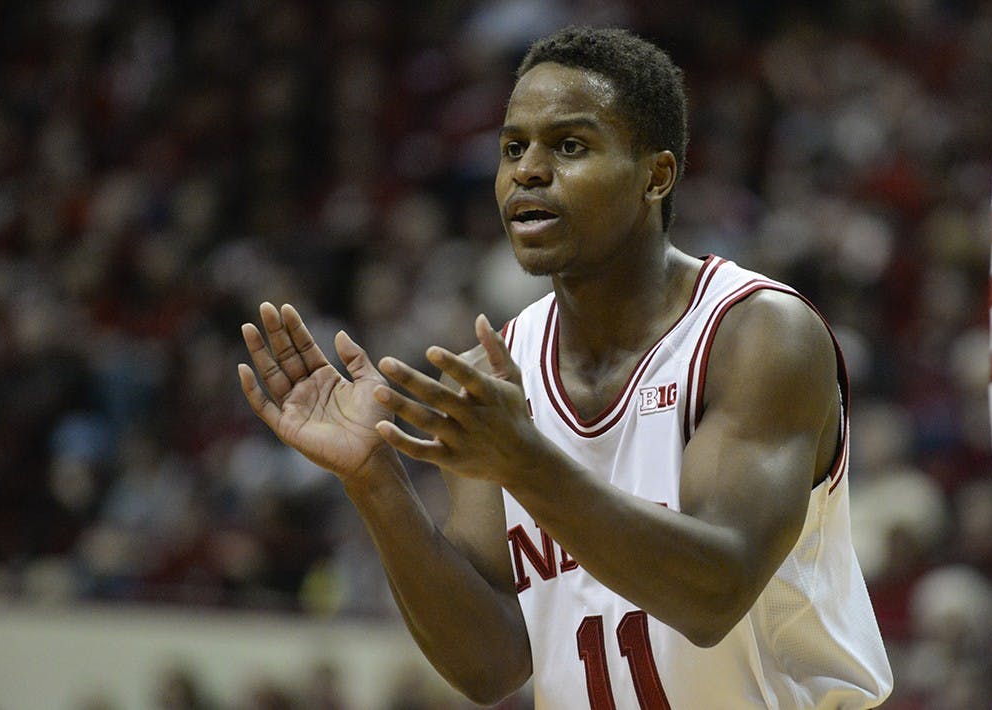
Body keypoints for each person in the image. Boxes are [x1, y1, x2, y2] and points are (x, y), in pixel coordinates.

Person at [238, 26, 893, 709]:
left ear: (656, 174)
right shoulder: (492, 378)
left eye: (569, 146)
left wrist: (525, 464)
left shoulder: (756, 335)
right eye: (513, 147)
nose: (528, 170)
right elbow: (491, 664)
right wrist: (374, 481)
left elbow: (714, 593)